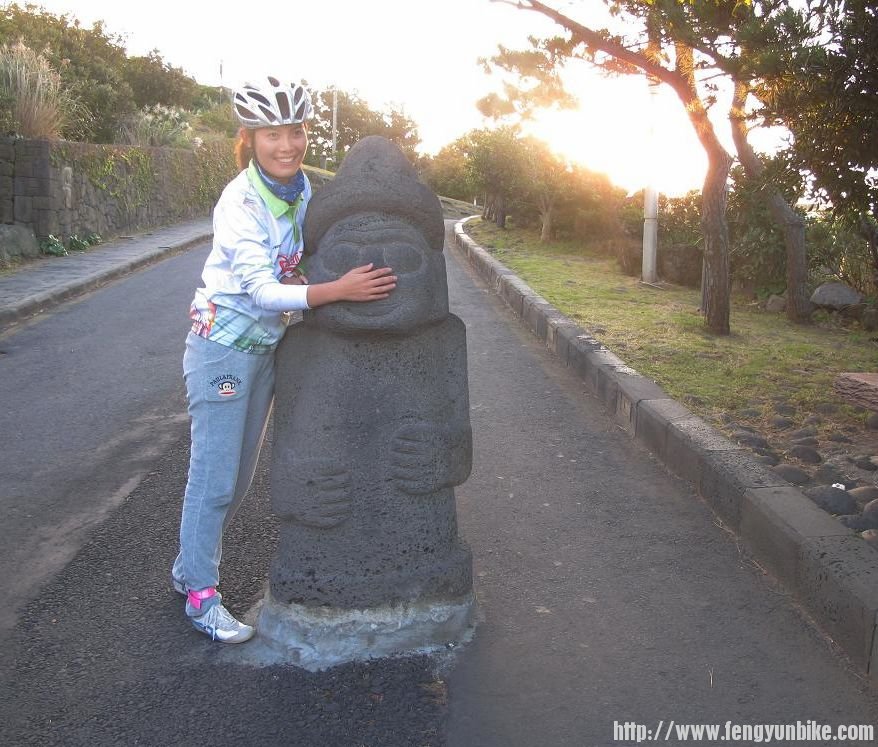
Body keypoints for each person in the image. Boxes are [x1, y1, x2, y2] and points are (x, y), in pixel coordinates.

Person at [171, 76, 396, 643]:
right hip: (222, 348)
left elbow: (301, 262)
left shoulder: (302, 193)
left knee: (237, 479)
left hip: (265, 348)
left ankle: (185, 570)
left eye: (295, 130)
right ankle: (200, 595)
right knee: (215, 480)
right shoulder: (240, 201)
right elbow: (261, 291)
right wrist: (337, 290)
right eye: (273, 133)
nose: (287, 144)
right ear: (250, 137)